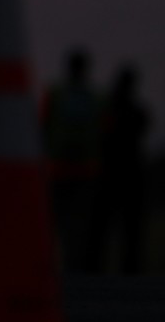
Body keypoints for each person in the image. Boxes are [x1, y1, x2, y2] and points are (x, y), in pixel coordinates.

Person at [84, 65, 150, 274]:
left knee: (103, 228)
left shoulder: (109, 110)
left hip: (111, 174)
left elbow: (101, 138)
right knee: (128, 229)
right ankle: (127, 268)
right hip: (128, 175)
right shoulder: (137, 112)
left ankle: (95, 267)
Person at [41, 47, 103, 268]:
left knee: (57, 222)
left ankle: (58, 266)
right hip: (83, 169)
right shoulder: (95, 97)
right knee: (77, 224)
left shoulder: (56, 94)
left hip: (61, 168)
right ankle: (73, 266)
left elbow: (42, 124)